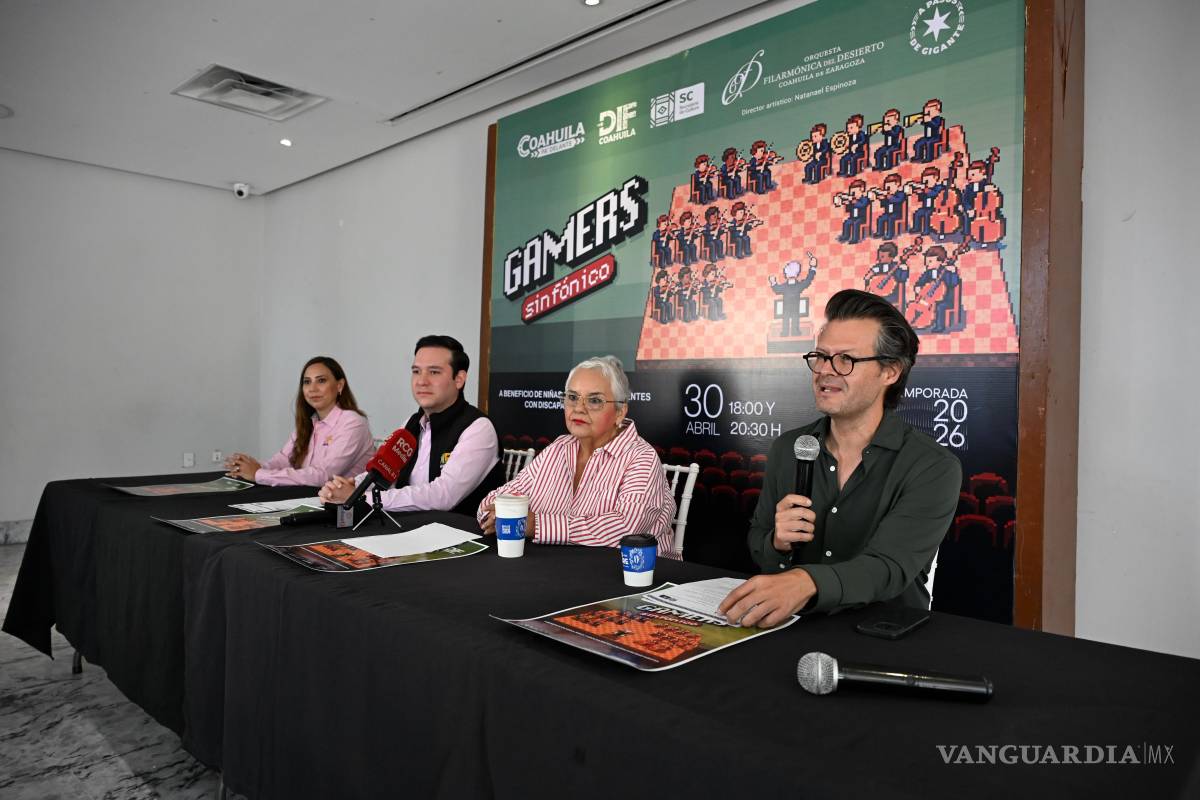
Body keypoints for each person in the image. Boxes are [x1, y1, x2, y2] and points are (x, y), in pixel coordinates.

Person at [718, 290, 961, 627]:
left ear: (890, 371)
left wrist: (807, 582)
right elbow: (759, 544)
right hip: (794, 628)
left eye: (845, 359)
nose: (824, 371)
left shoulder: (932, 467)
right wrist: (777, 541)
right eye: (820, 356)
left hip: (884, 637)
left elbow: (888, 567)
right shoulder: (790, 447)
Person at [477, 356, 677, 558]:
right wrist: (496, 515)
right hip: (564, 567)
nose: (579, 408)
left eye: (595, 400)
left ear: (620, 412)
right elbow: (500, 498)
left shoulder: (642, 458)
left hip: (635, 578)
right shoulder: (559, 448)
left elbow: (626, 529)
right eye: (572, 397)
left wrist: (535, 525)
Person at [318, 335, 504, 515]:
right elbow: (384, 472)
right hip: (410, 528)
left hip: (461, 537)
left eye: (434, 372)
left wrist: (361, 498)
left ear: (459, 379)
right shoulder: (412, 423)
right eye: (416, 371)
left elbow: (443, 496)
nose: (422, 381)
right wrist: (352, 486)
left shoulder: (478, 428)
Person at [225, 356, 373, 487]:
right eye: (307, 382)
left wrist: (258, 474)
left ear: (339, 385)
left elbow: (324, 475)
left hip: (345, 508)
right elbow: (284, 459)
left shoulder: (353, 423)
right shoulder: (311, 422)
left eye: (321, 381)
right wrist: (251, 467)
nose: (312, 389)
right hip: (310, 498)